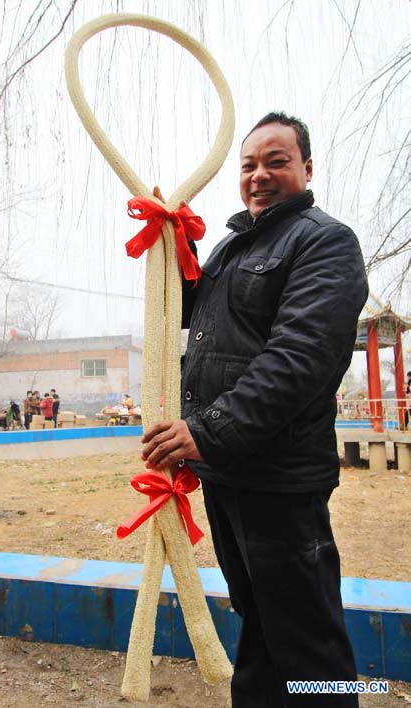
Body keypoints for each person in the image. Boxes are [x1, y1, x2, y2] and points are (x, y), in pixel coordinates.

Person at [142, 113, 369, 707]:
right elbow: (198, 313)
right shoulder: (233, 246)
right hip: (230, 476)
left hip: (279, 480)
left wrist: (208, 429)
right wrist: (177, 242)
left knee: (308, 647)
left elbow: (299, 359)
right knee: (263, 628)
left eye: (277, 160)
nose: (260, 175)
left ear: (307, 168)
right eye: (249, 165)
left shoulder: (325, 242)